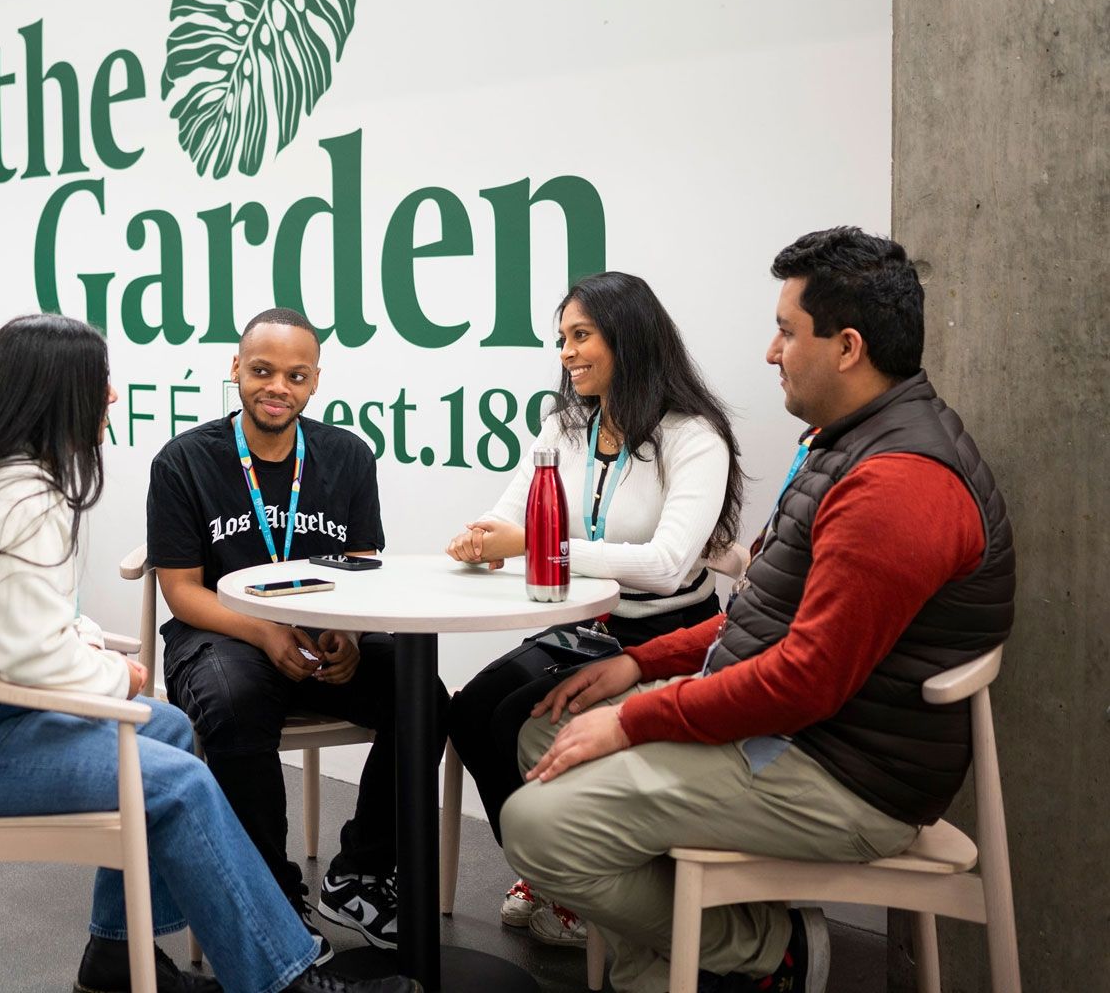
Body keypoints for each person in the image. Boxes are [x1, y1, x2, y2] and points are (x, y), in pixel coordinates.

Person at [497, 228, 1015, 993]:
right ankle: (662, 970)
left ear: (846, 348)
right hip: (798, 734)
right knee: (547, 725)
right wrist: (638, 663)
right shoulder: (848, 445)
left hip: (841, 774)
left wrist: (637, 716)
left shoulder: (896, 483)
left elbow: (804, 680)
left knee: (539, 826)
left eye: (784, 330)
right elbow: (765, 615)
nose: (770, 352)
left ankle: (765, 947)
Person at [0, 313, 416, 993]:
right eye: (101, 382)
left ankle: (115, 961)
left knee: (172, 728)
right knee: (178, 785)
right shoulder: (19, 499)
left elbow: (15, 624)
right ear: (56, 393)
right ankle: (283, 980)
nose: (112, 396)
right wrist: (115, 674)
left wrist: (88, 645)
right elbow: (28, 659)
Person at [442, 271, 744, 948]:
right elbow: (509, 511)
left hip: (669, 634)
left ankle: (580, 887)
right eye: (560, 339)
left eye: (581, 336)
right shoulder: (564, 423)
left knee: (526, 718)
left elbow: (667, 565)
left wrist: (543, 545)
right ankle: (545, 876)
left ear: (628, 338)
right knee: (471, 712)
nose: (565, 353)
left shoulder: (694, 436)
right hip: (581, 630)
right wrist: (482, 539)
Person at [147, 307, 439, 959]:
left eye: (294, 375)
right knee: (232, 703)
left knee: (422, 695)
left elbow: (366, 571)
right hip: (221, 632)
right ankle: (269, 898)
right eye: (261, 371)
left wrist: (353, 638)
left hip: (324, 636)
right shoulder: (184, 462)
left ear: (313, 384)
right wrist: (261, 632)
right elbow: (181, 590)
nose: (276, 386)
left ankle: (359, 873)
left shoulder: (346, 457)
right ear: (235, 370)